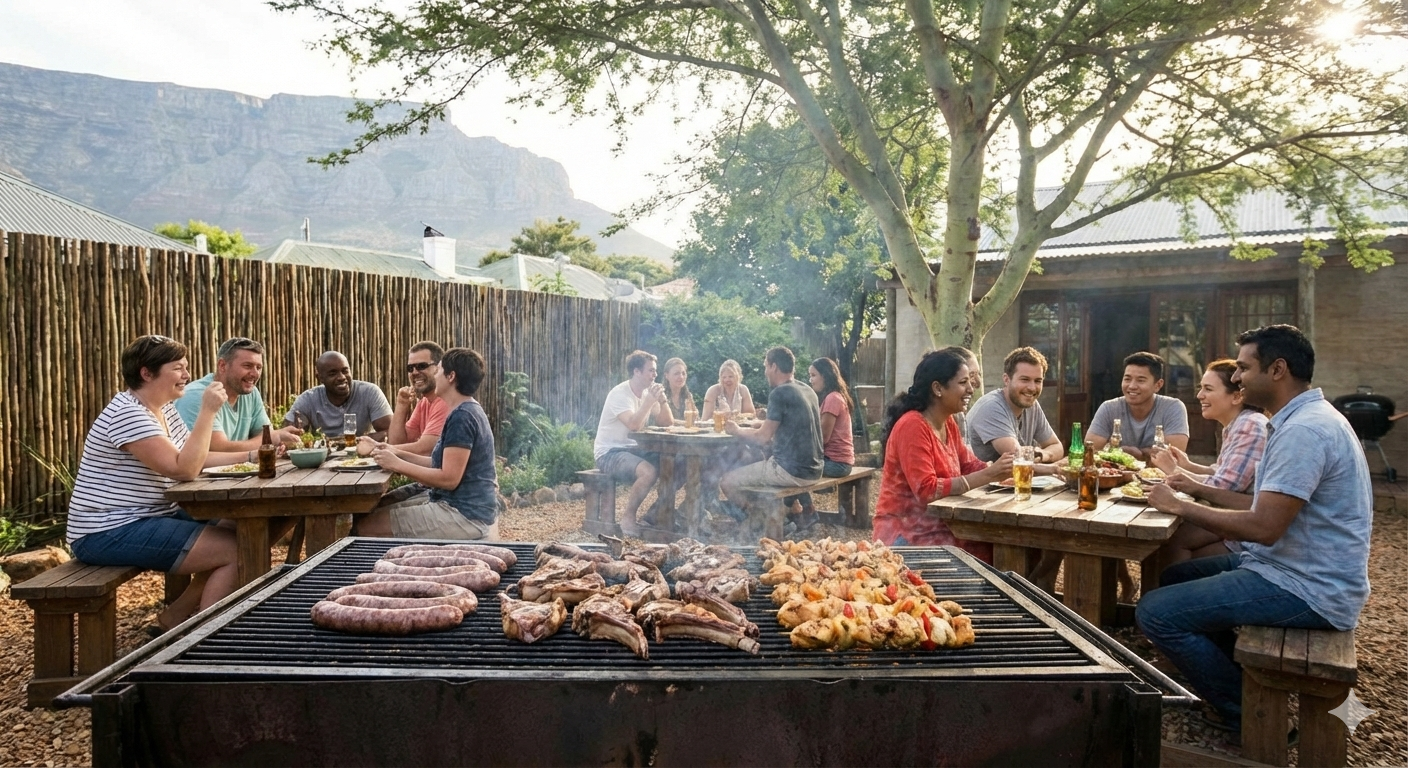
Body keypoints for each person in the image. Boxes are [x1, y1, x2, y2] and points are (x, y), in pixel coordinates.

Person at [1137, 325, 1373, 736]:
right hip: (1289, 566)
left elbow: (1263, 527)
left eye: (1245, 368)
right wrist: (1191, 490)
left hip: (1310, 587)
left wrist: (1180, 505)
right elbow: (1262, 506)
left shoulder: (1304, 431)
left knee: (1155, 613)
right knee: (1173, 576)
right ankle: (1241, 678)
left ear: (1277, 369)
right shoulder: (1298, 419)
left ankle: (1252, 716)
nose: (1238, 377)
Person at [66, 335, 252, 633]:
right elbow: (185, 470)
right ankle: (206, 640)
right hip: (106, 530)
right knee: (236, 550)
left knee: (237, 527)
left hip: (147, 516)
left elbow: (195, 457)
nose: (187, 376)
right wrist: (207, 411)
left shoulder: (162, 409)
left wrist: (254, 454)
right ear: (146, 372)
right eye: (179, 368)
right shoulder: (128, 414)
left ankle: (176, 616)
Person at [873, 348, 1013, 561]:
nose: (971, 388)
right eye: (963, 382)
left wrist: (1001, 472)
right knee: (992, 560)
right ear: (938, 388)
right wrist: (990, 475)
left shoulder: (948, 422)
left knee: (1007, 548)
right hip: (905, 537)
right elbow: (927, 489)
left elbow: (968, 465)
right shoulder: (912, 426)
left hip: (941, 528)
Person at [357, 348, 501, 540]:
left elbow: (449, 479)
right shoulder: (463, 410)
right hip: (459, 506)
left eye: (439, 370)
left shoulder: (462, 416)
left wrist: (397, 464)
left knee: (364, 527)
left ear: (451, 376)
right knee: (370, 514)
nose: (435, 375)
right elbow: (437, 463)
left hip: (465, 515)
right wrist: (392, 452)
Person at [1147, 359, 1269, 565]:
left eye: (1208, 389)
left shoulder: (1250, 426)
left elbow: (1223, 488)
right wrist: (1189, 466)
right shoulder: (1237, 424)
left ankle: (1170, 592)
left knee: (1170, 540)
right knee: (1171, 537)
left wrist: (1173, 470)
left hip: (1249, 527)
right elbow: (1223, 473)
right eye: (1200, 388)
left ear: (1237, 396)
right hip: (1236, 515)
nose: (1199, 395)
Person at [720, 346, 824, 530]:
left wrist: (736, 430)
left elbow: (762, 438)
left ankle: (758, 518)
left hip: (790, 472)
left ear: (774, 366)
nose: (765, 372)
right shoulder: (806, 389)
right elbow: (779, 426)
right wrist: (755, 424)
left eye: (766, 366)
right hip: (815, 469)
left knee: (727, 481)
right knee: (754, 464)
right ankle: (780, 515)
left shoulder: (779, 393)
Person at [175, 337, 302, 451]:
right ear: (222, 365)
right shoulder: (196, 396)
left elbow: (263, 434)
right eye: (248, 366)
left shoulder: (250, 393)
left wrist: (270, 438)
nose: (255, 374)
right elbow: (218, 448)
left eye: (258, 367)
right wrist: (274, 437)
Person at [593, 350, 668, 536]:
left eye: (655, 371)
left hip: (633, 450)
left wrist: (662, 401)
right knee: (648, 471)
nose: (655, 375)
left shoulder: (645, 393)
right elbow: (634, 425)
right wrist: (649, 401)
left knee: (676, 463)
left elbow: (667, 422)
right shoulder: (620, 394)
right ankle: (627, 519)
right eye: (651, 370)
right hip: (609, 452)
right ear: (637, 372)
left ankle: (657, 514)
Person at [965, 346, 1066, 471]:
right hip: (980, 488)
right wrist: (1057, 468)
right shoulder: (991, 407)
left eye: (1038, 381)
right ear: (1006, 380)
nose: (1032, 388)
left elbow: (1057, 446)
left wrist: (1040, 454)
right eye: (1025, 380)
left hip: (1010, 485)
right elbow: (1018, 459)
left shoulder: (1031, 404)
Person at [786, 357, 857, 520]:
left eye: (813, 375)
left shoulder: (833, 398)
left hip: (837, 463)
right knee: (792, 464)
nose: (810, 380)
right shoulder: (833, 397)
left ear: (825, 375)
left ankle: (804, 513)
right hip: (837, 460)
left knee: (790, 468)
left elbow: (823, 438)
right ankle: (806, 511)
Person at [1085, 351, 1190, 460]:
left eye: (1140, 380)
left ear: (1158, 385)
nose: (1132, 386)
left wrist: (1134, 453)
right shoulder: (1108, 408)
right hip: (1115, 474)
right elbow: (1091, 450)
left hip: (1159, 475)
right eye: (1127, 379)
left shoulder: (1172, 407)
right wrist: (1127, 452)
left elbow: (1174, 455)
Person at [284, 351, 393, 440]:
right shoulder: (308, 399)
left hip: (361, 457)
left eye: (345, 371)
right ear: (320, 378)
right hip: (322, 459)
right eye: (333, 373)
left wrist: (364, 440)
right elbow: (287, 435)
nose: (341, 377)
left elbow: (391, 431)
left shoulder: (369, 392)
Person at [384, 341, 448, 456]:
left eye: (421, 366)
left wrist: (378, 448)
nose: (414, 372)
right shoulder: (424, 402)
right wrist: (401, 405)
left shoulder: (445, 401)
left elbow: (425, 450)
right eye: (410, 368)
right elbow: (397, 443)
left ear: (439, 367)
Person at [653, 357, 693, 426]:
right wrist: (685, 423)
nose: (681, 377)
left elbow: (695, 419)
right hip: (663, 435)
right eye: (676, 373)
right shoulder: (659, 395)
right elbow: (663, 421)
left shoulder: (688, 396)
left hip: (685, 435)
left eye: (683, 373)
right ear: (666, 375)